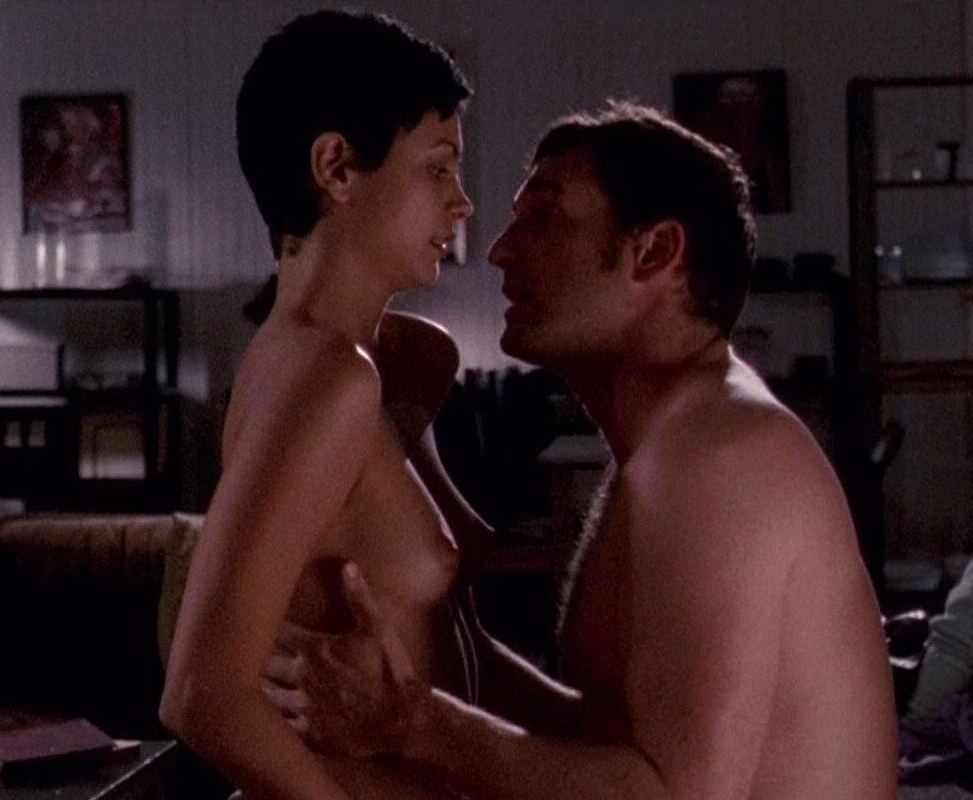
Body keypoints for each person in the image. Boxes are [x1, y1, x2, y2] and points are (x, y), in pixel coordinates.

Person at [261, 102, 898, 800]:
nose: (501, 250)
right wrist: (444, 659)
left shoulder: (724, 455)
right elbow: (607, 735)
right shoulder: (669, 444)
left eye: (542, 218)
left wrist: (413, 725)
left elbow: (674, 796)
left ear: (654, 252)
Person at [158, 10, 485, 800]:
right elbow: (201, 694)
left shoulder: (357, 361)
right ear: (336, 168)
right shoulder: (327, 380)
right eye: (438, 170)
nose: (463, 203)